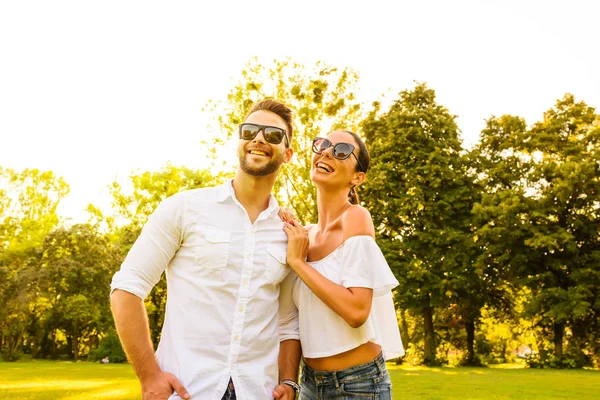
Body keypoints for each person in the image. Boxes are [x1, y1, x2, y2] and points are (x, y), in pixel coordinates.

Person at [110, 99, 301, 400]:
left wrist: (289, 381)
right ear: (240, 141)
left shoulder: (289, 232)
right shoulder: (185, 208)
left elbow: (288, 320)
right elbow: (127, 288)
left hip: (258, 392)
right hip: (188, 391)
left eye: (273, 135)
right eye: (250, 130)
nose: (259, 139)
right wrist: (149, 376)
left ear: (287, 154)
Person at [281, 131, 404, 399]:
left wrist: (298, 264)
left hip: (359, 384)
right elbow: (290, 323)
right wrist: (289, 381)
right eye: (323, 145)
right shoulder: (304, 236)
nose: (326, 152)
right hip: (310, 385)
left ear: (357, 178)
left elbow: (356, 311)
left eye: (341, 150)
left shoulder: (356, 218)